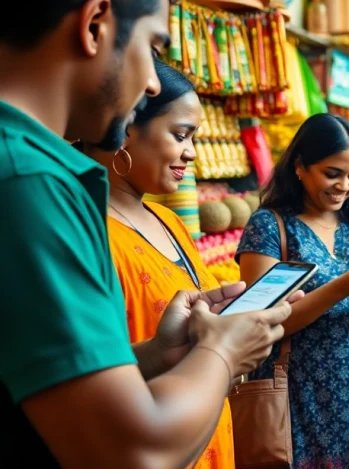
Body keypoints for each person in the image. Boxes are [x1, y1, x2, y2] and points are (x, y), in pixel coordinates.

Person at [0, 0, 293, 468]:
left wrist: (158, 356)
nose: (154, 84)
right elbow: (135, 451)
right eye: (152, 45)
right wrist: (222, 353)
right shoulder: (29, 180)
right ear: (95, 25)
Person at [81, 61, 237, 468]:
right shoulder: (87, 232)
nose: (191, 152)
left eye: (193, 138)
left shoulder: (168, 220)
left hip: (200, 435)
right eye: (180, 135)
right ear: (129, 129)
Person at [237, 113, 349, 469]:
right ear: (300, 167)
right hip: (300, 394)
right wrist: (343, 286)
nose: (344, 186)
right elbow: (261, 323)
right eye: (333, 173)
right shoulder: (270, 226)